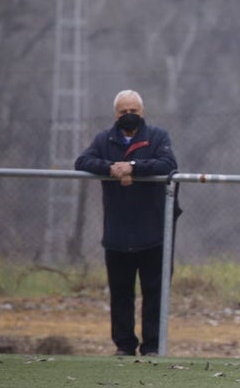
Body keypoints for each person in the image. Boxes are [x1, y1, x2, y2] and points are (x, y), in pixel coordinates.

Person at [75, 90, 178, 356]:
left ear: (142, 112)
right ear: (115, 114)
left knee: (154, 293)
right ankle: (124, 345)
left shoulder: (157, 137)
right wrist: (112, 168)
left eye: (134, 111)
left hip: (152, 231)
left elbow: (167, 164)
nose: (129, 116)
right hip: (118, 233)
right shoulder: (104, 140)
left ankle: (153, 346)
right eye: (123, 112)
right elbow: (82, 162)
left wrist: (133, 167)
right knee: (121, 294)